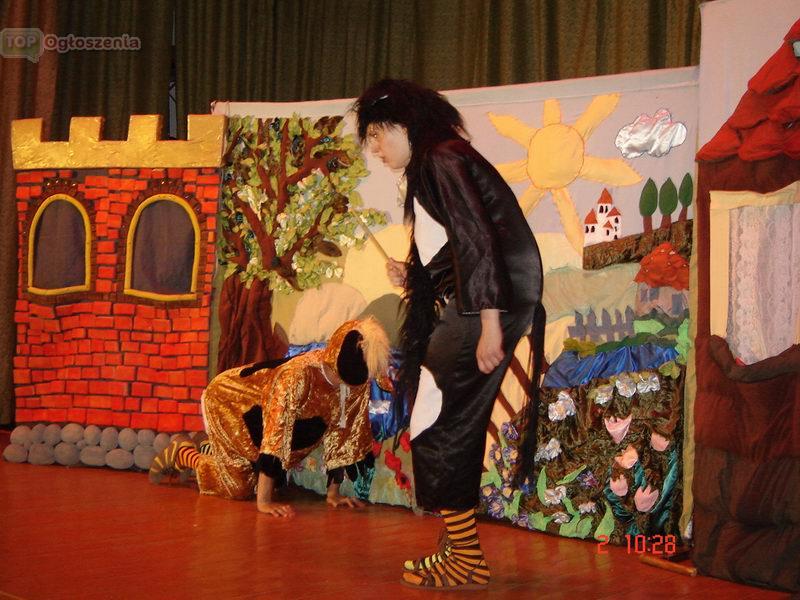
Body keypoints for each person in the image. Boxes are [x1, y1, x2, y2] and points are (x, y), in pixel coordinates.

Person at [354, 79, 544, 590]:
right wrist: (415, 274)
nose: (376, 149)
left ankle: (465, 557)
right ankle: (458, 548)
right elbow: (457, 247)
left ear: (404, 124)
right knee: (444, 416)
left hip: (488, 305)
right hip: (488, 300)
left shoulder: (440, 159)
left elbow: (477, 239)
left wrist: (488, 322)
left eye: (378, 135)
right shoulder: (440, 159)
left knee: (436, 416)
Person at [148, 318, 390, 517]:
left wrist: (333, 494)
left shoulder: (356, 384)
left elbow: (345, 434)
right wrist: (263, 502)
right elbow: (277, 430)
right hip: (232, 402)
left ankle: (215, 450)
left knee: (262, 479)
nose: (344, 387)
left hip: (264, 425)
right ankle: (185, 453)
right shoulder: (297, 377)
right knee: (238, 489)